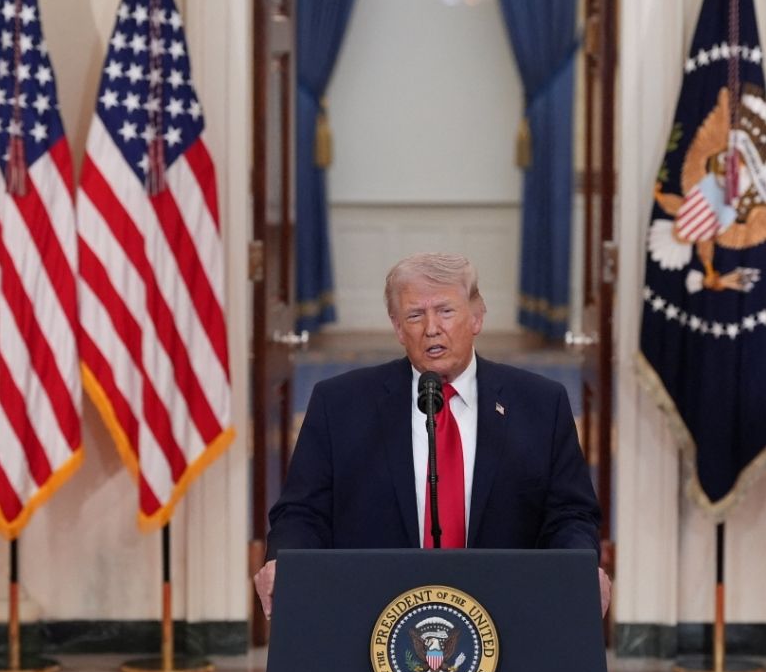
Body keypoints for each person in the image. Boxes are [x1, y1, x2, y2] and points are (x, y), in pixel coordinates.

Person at [253, 252, 611, 616]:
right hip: (372, 616)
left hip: (507, 614)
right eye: (414, 315)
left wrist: (578, 566)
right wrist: (283, 562)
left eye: (445, 310)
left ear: (476, 317)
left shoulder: (540, 405)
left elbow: (570, 514)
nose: (431, 328)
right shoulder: (340, 404)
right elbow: (302, 512)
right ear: (397, 327)